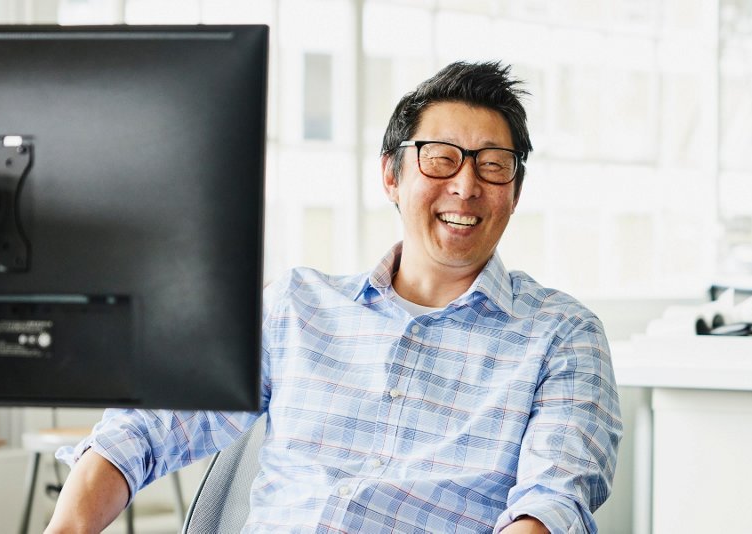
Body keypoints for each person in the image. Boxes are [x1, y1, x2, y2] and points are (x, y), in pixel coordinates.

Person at [47, 61, 623, 534]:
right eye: (441, 159)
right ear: (392, 176)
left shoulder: (562, 335)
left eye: (493, 166)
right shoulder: (298, 305)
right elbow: (145, 427)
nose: (466, 186)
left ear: (514, 192)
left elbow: (551, 504)